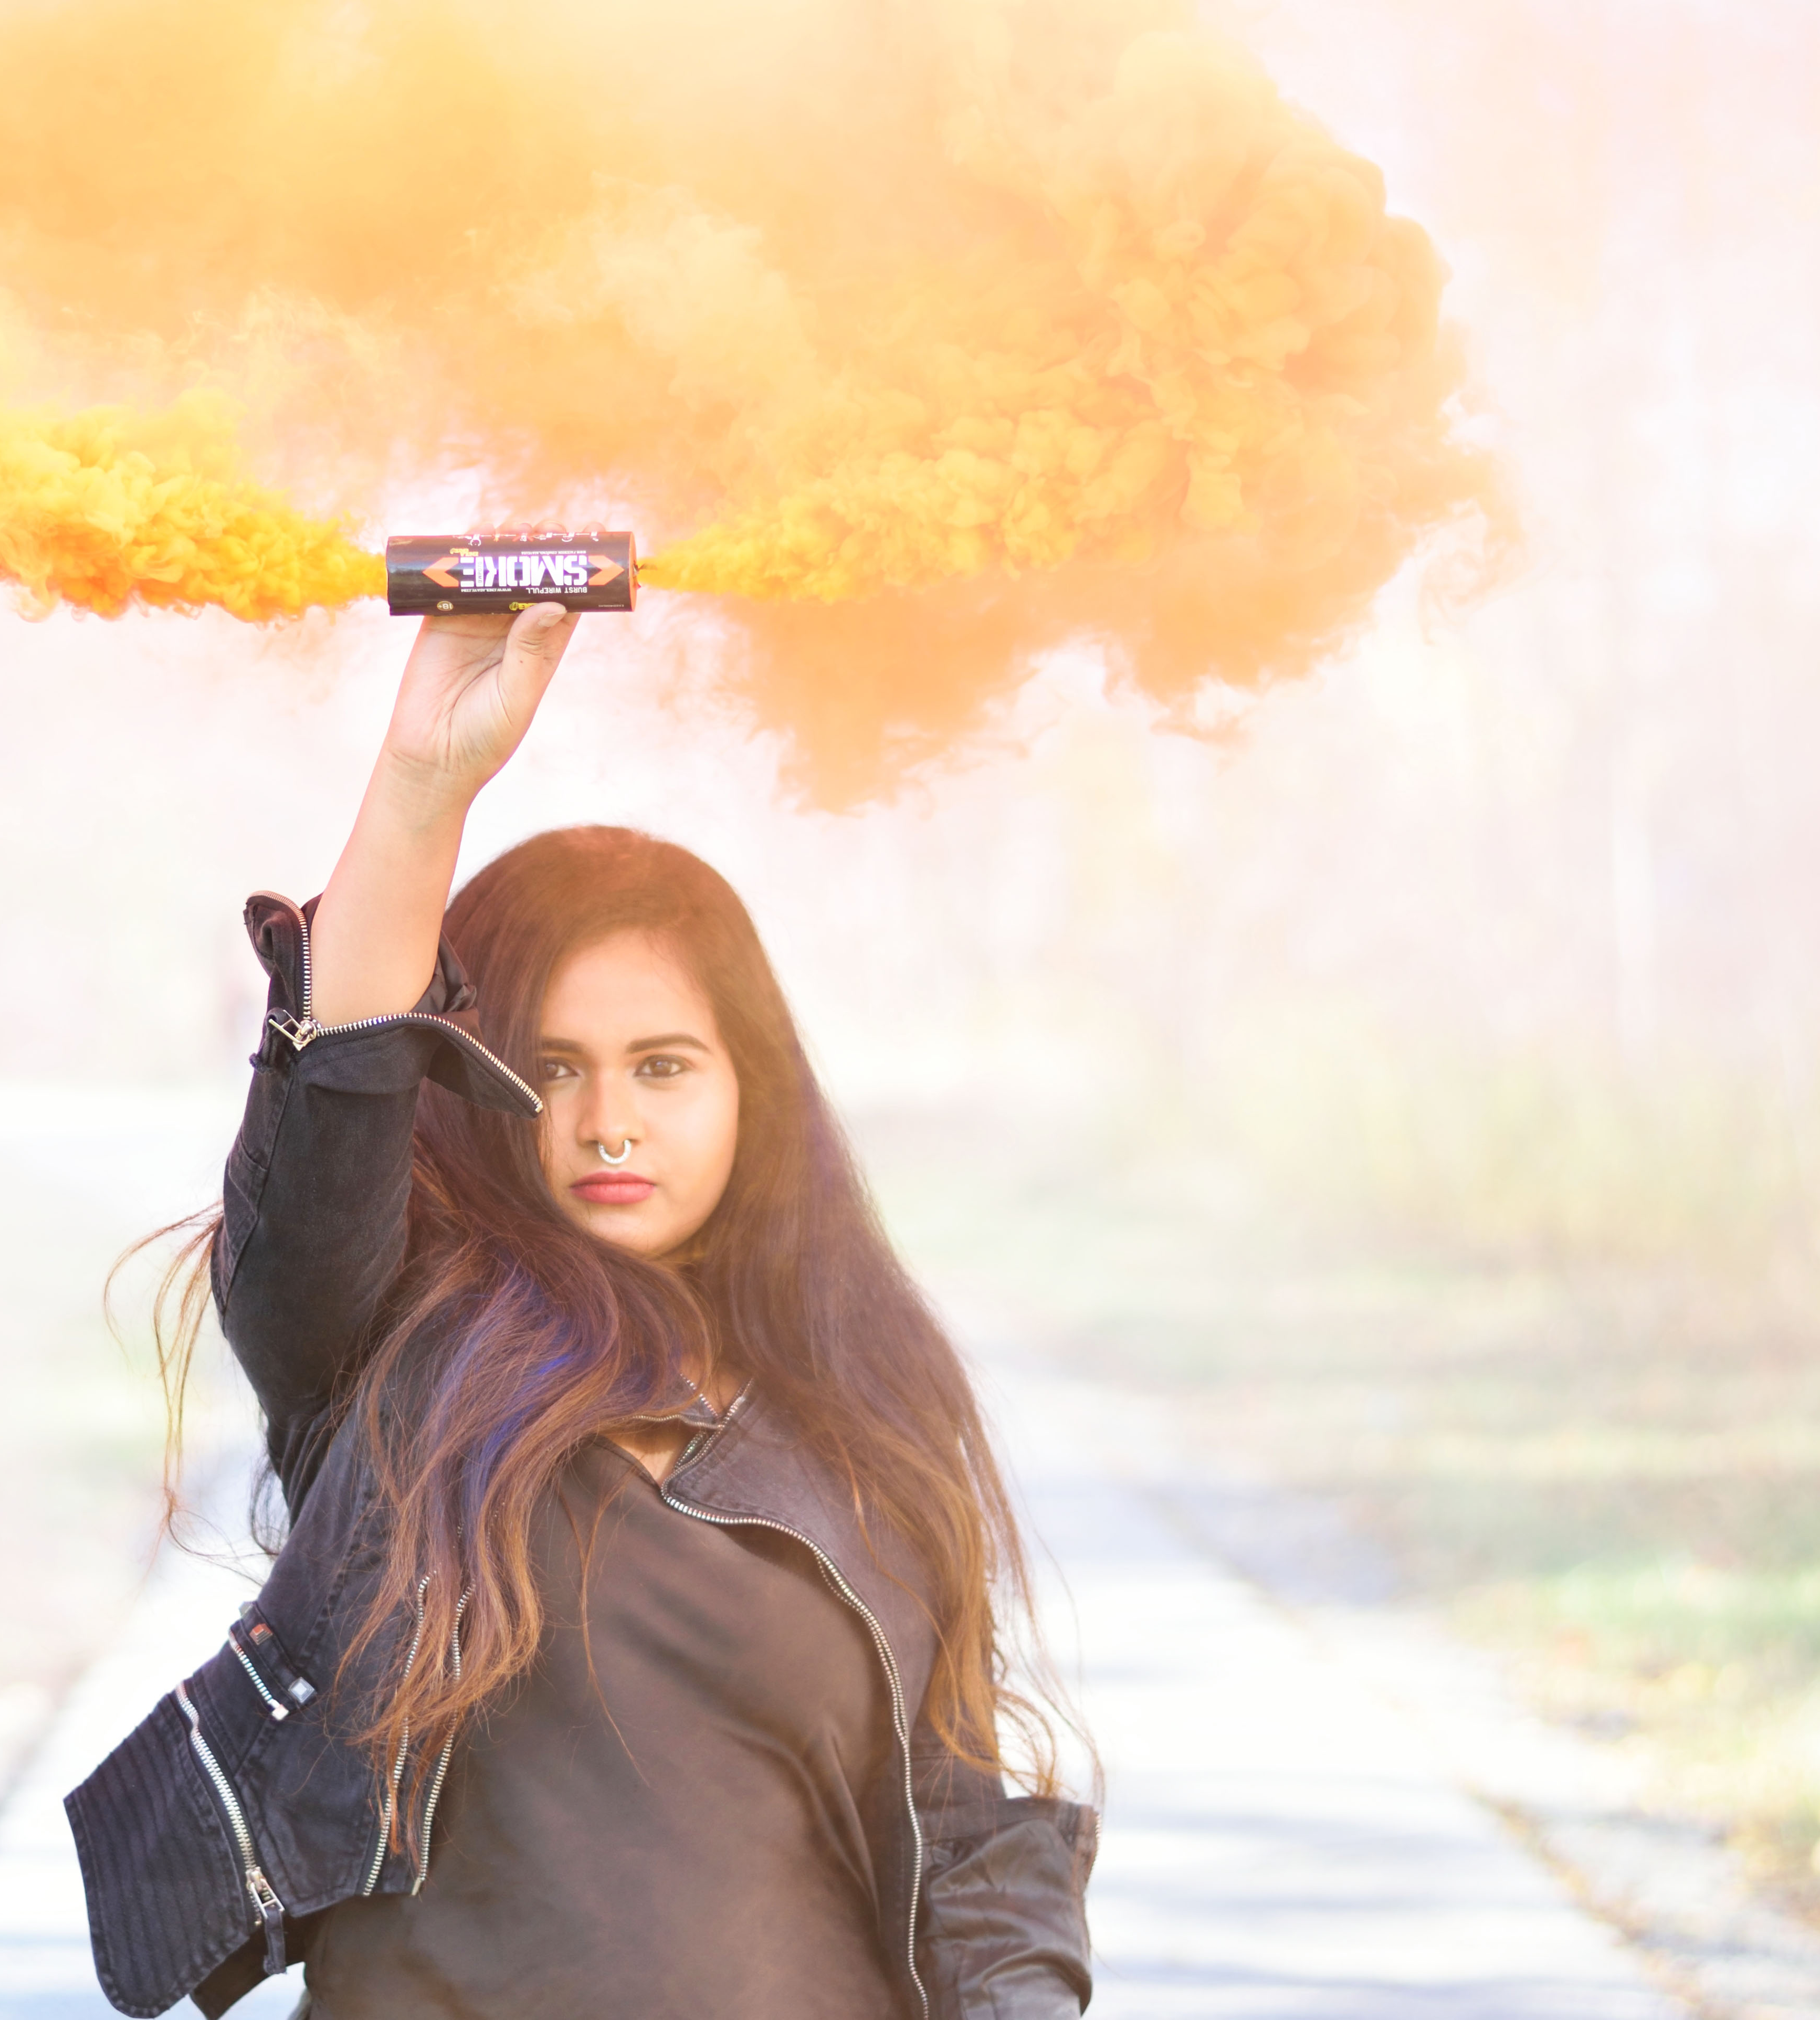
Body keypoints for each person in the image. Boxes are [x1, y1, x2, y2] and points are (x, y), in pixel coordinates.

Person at [68, 587, 1097, 2019]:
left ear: (753, 1093)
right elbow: (349, 1063)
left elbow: (967, 1839)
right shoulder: (382, 1356)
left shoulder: (861, 1416)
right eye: (554, 1067)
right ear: (478, 1090)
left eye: (664, 1066)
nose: (610, 1118)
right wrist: (428, 775)